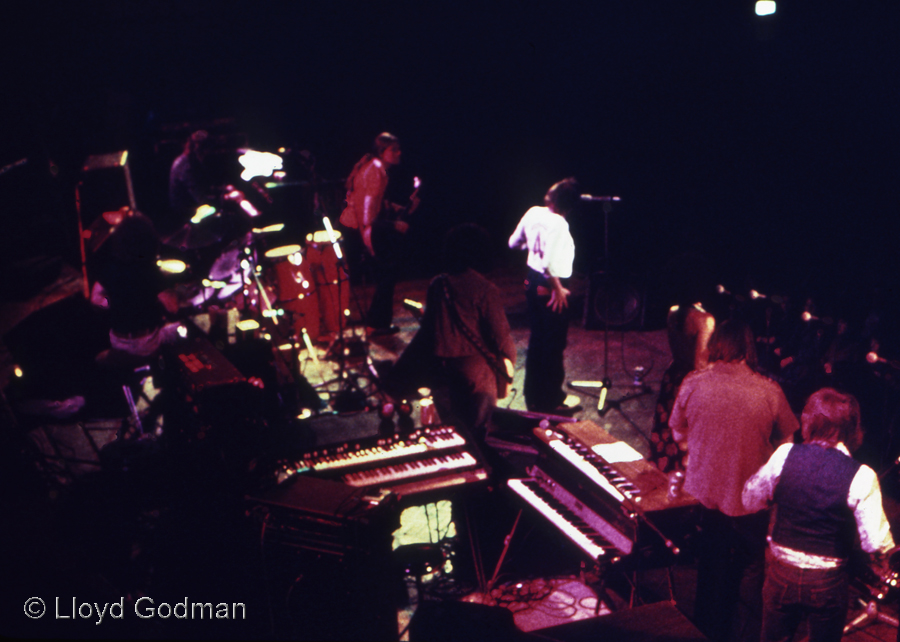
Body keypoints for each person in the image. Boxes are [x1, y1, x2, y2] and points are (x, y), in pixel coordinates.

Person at [669, 319, 799, 642]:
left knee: (709, 571)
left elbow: (676, 431)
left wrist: (698, 448)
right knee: (751, 576)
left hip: (704, 498)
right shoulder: (770, 391)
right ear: (748, 348)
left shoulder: (693, 382)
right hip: (750, 504)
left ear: (716, 346)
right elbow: (789, 444)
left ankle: (703, 632)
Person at [743, 388, 895, 642]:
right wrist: (884, 559)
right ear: (852, 427)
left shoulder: (785, 455)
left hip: (782, 573)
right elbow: (876, 543)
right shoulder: (862, 475)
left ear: (809, 420)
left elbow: (750, 500)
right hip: (827, 582)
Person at [391, 224, 515, 433]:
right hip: (476, 371)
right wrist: (508, 366)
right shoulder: (485, 289)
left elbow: (431, 326)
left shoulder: (438, 284)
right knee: (479, 430)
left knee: (454, 428)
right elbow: (501, 335)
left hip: (444, 369)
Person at [508, 177, 579, 414]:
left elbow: (513, 244)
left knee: (538, 338)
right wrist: (558, 288)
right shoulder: (559, 223)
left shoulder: (533, 213)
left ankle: (534, 395)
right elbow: (548, 263)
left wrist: (533, 248)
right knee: (554, 341)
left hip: (531, 281)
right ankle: (552, 398)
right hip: (548, 284)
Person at [340, 132, 419, 333]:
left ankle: (377, 323)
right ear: (382, 152)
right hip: (363, 228)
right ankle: (375, 324)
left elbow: (371, 201)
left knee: (387, 274)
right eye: (394, 150)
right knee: (387, 274)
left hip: (361, 226)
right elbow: (367, 214)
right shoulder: (377, 172)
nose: (399, 153)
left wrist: (393, 207)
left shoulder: (374, 169)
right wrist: (393, 226)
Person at [92, 210, 182, 358]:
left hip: (117, 340)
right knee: (182, 328)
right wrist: (179, 292)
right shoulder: (151, 272)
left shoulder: (111, 268)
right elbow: (172, 308)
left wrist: (116, 303)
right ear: (151, 241)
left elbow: (96, 299)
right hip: (146, 343)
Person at [649, 299, 715, 473]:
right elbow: (700, 365)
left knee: (667, 434)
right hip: (692, 384)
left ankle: (663, 478)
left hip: (674, 377)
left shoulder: (673, 312)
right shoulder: (705, 319)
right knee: (686, 440)